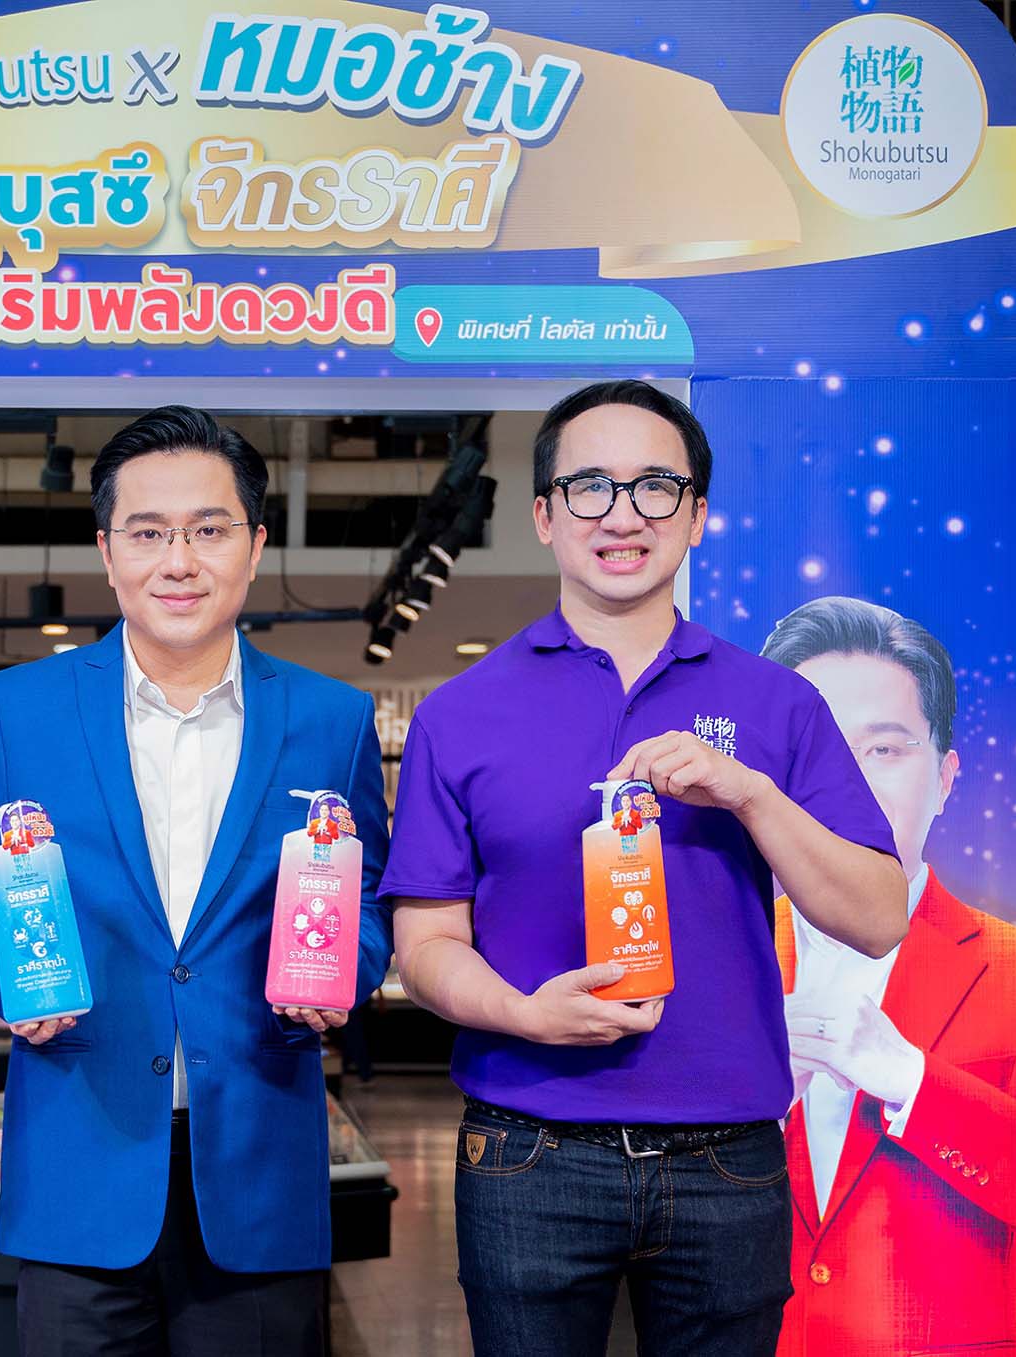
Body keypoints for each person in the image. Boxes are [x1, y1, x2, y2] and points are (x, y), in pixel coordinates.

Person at [384, 380, 909, 1357]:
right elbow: (424, 944)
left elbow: (879, 916)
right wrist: (523, 1012)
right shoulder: (460, 713)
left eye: (655, 487)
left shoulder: (777, 703)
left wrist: (750, 794)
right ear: (544, 515)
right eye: (589, 486)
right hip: (528, 1147)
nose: (622, 514)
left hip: (729, 1156)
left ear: (697, 515)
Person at [0, 405, 392, 1357]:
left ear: (255, 546)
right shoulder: (22, 707)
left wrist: (344, 971)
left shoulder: (333, 719)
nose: (178, 561)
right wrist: (13, 979)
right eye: (147, 533)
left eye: (208, 530)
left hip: (259, 1163)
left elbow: (369, 896)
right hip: (81, 1156)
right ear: (108, 552)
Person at [761, 596, 1016, 1356]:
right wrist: (755, 1113)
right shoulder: (714, 962)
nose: (847, 783)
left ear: (944, 778)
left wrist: (915, 1083)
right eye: (815, 747)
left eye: (884, 749)